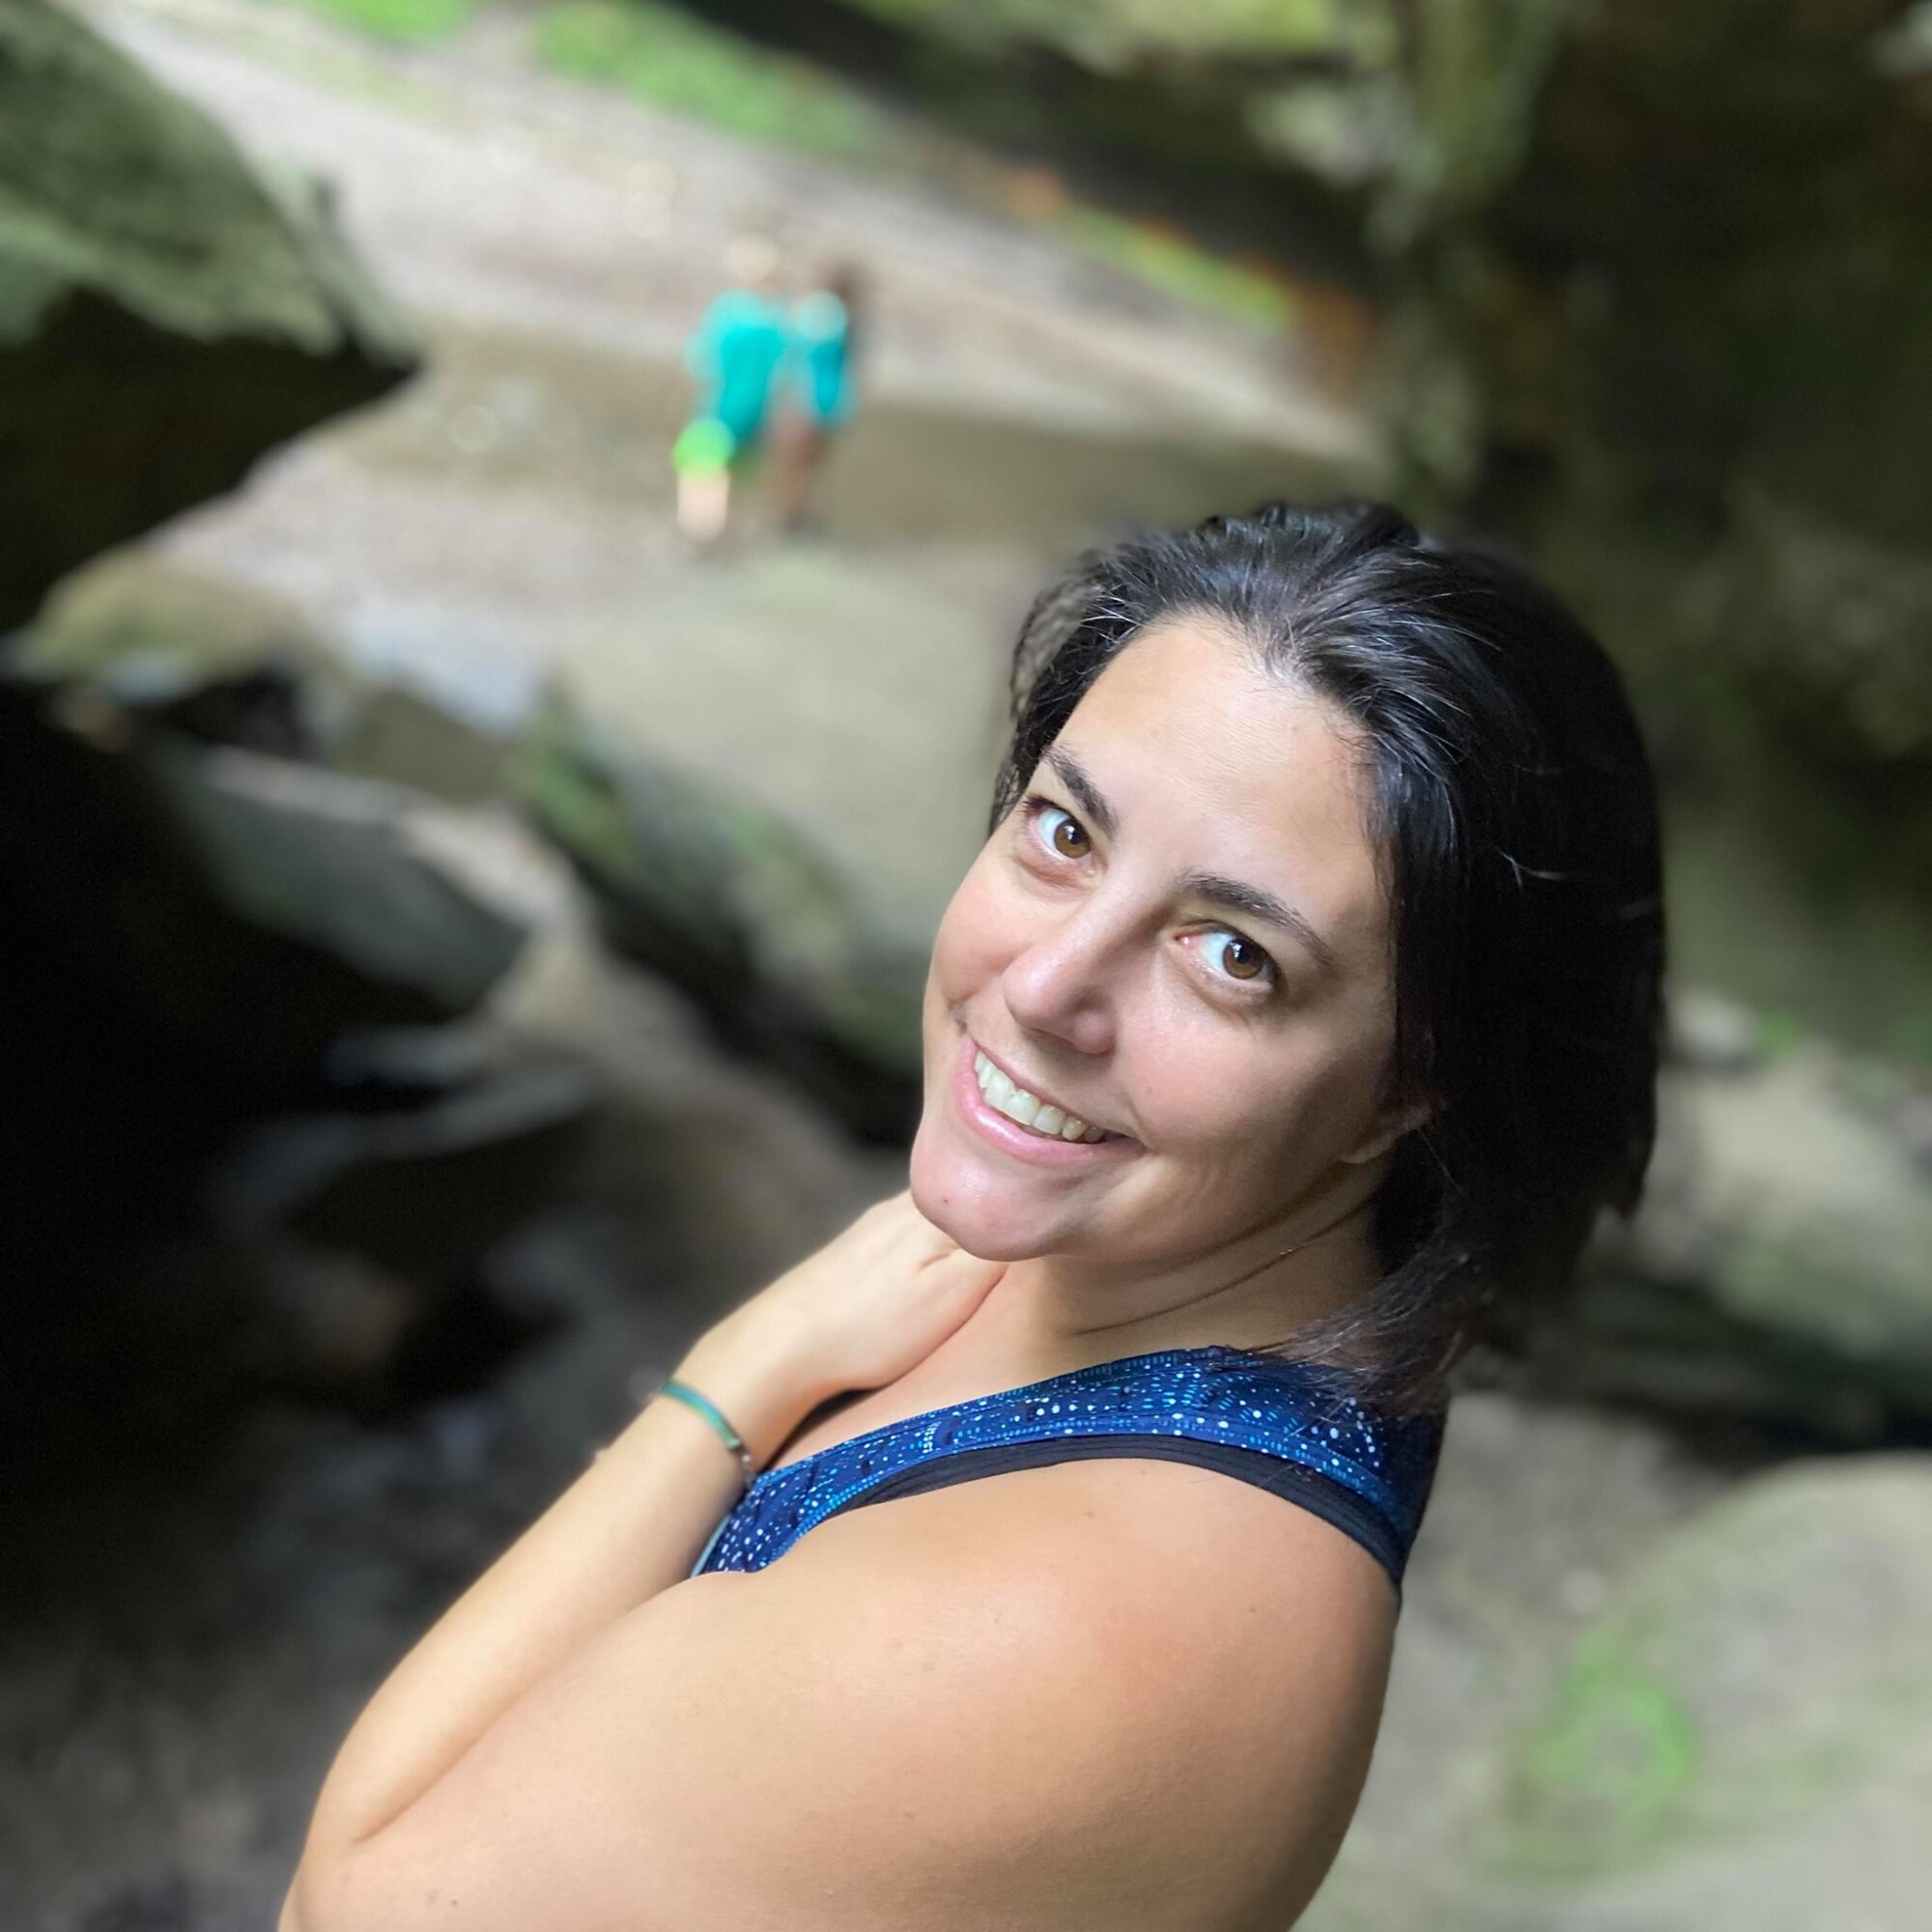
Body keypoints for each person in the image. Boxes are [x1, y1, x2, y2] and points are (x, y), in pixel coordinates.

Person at [279, 500, 1663, 1930]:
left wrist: (730, 1381)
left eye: (1231, 953)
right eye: (1065, 831)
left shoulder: (1053, 1632)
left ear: (1403, 1090)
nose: (1046, 985)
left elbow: (350, 1906)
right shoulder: (1200, 1263)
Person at [672, 238, 789, 544]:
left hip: (719, 409)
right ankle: (730, 532)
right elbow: (784, 372)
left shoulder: (729, 312)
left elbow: (704, 362)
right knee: (738, 475)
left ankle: (700, 534)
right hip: (756, 413)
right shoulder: (776, 319)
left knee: (701, 472)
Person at [771, 261, 866, 532]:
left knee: (793, 464)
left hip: (808, 401)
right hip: (833, 403)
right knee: (813, 466)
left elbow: (797, 355)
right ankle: (803, 515)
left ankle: (788, 516)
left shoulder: (819, 312)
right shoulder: (850, 318)